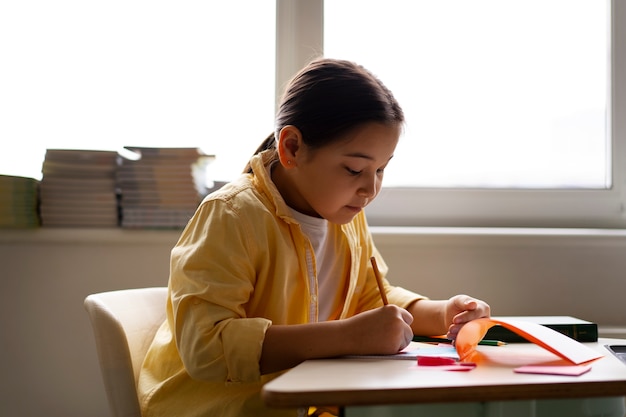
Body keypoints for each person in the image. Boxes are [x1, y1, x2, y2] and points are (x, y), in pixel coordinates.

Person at [137, 57, 491, 417]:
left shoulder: (345, 213)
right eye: (354, 169)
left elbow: (371, 297)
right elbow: (206, 349)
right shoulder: (232, 215)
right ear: (291, 148)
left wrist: (443, 313)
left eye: (381, 169)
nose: (370, 188)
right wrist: (349, 336)